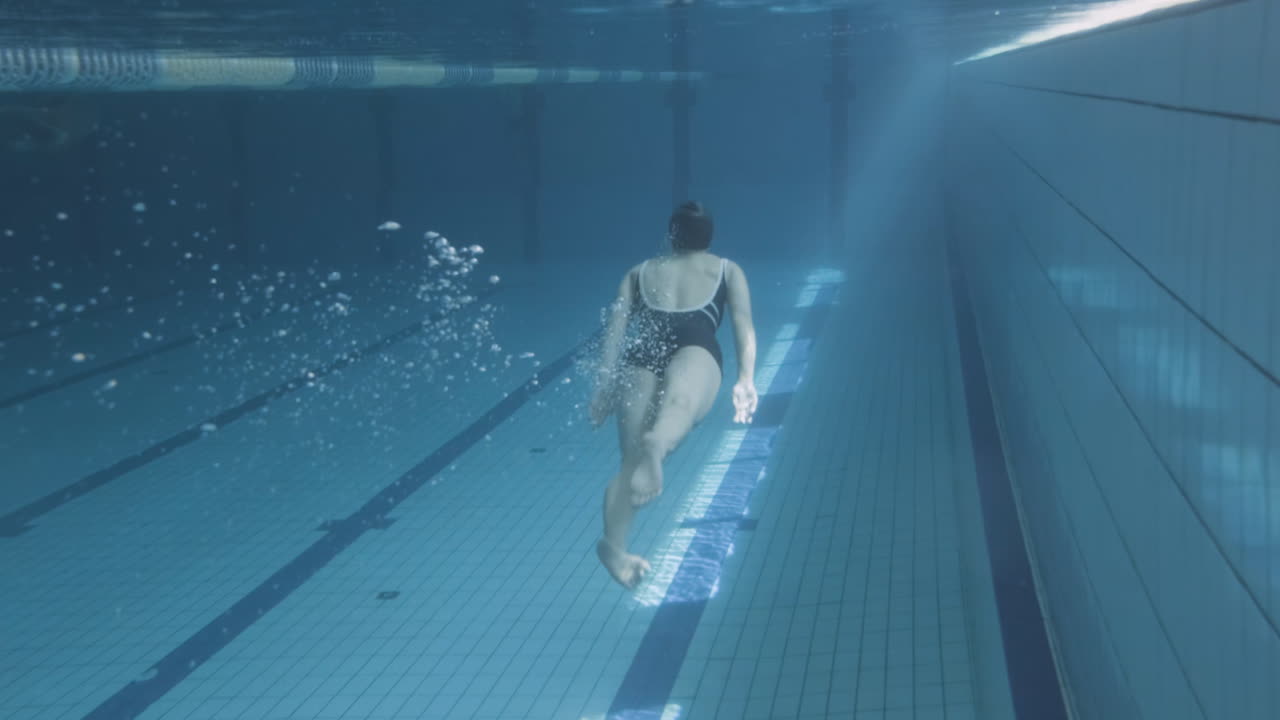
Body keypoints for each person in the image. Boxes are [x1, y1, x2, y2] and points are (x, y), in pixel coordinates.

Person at [589, 201, 758, 590]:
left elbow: (614, 333)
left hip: (643, 351)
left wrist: (603, 386)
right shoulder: (727, 270)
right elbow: (743, 325)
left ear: (672, 235)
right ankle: (660, 443)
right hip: (696, 344)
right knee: (681, 403)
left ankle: (614, 547)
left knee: (629, 464)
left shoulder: (638, 273)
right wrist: (746, 378)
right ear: (709, 236)